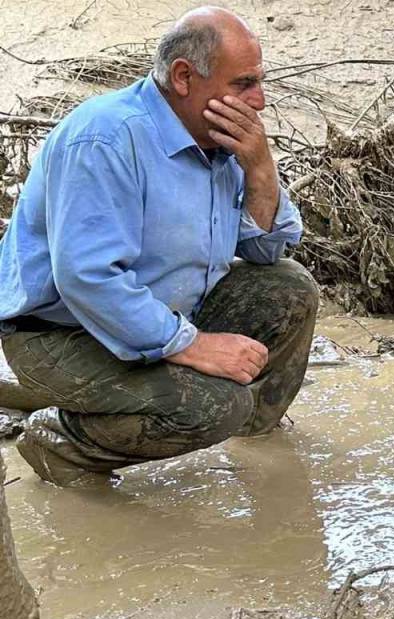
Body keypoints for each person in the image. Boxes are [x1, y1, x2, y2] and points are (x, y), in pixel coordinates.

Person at [0, 7, 318, 486]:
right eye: (244, 84)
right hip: (58, 336)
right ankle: (62, 443)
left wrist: (260, 169)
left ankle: (253, 440)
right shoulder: (105, 138)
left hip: (156, 311)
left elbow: (265, 254)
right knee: (216, 406)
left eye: (260, 82)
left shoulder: (219, 138)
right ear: (184, 77)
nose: (260, 100)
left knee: (290, 287)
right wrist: (194, 346)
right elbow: (88, 278)